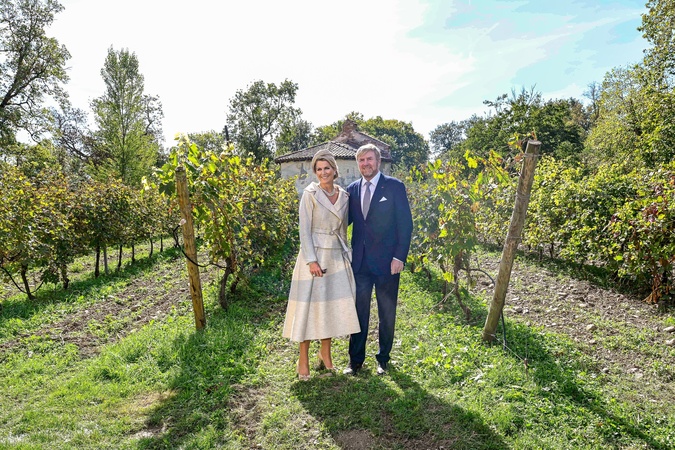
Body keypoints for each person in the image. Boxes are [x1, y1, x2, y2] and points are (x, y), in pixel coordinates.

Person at [283, 149, 361, 381]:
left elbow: (343, 229)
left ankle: (325, 354)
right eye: (319, 169)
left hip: (335, 256)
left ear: (334, 170)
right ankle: (303, 359)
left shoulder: (344, 196)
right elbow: (304, 229)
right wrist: (311, 260)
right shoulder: (310, 194)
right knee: (309, 307)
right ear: (315, 172)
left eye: (327, 168)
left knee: (330, 306)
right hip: (314, 257)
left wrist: (346, 255)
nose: (323, 172)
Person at [344, 143, 413, 376]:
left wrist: (399, 256)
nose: (366, 164)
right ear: (358, 164)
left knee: (386, 312)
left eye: (369, 159)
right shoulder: (352, 190)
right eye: (361, 160)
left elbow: (405, 224)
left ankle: (383, 359)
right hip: (360, 263)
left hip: (387, 263)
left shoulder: (394, 187)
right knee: (358, 312)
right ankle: (355, 361)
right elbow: (343, 222)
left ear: (378, 161)